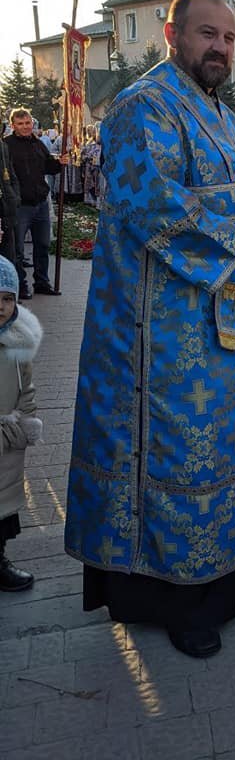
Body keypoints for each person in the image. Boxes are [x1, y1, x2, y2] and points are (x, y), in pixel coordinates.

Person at [64, 0, 235, 659]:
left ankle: (233, 571)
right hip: (156, 326)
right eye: (206, 34)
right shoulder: (144, 106)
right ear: (173, 35)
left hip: (219, 312)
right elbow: (151, 204)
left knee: (224, 441)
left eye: (228, 37)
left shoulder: (221, 113)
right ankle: (176, 598)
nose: (220, 47)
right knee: (175, 443)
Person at [0, 255, 43, 591]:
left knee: (2, 507)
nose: (1, 306)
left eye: (7, 298)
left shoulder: (18, 341)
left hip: (9, 439)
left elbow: (26, 386)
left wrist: (26, 417)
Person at [6, 108, 68, 299]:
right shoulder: (6, 146)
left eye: (28, 123)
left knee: (42, 245)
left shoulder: (38, 144)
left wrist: (60, 163)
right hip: (20, 205)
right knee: (17, 250)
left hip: (40, 203)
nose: (25, 127)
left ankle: (42, 282)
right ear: (13, 125)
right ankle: (20, 286)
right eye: (20, 124)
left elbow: (48, 166)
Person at [0, 135, 20, 269]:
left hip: (6, 207)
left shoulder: (3, 146)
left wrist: (15, 197)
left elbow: (11, 176)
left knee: (8, 260)